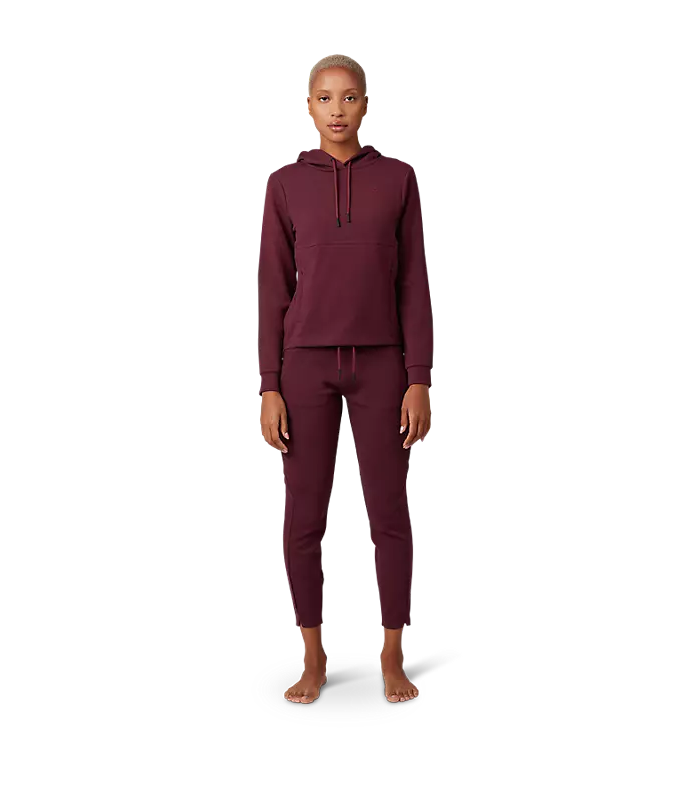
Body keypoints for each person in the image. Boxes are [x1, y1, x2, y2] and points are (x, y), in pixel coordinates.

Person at [256, 54, 434, 704]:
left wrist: (420, 377)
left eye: (350, 96)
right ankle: (313, 655)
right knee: (303, 519)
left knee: (389, 514)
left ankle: (392, 650)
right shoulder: (283, 185)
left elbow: (413, 281)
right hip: (304, 367)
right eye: (325, 97)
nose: (337, 109)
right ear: (308, 105)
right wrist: (269, 384)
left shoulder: (398, 179)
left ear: (366, 103)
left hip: (383, 365)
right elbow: (272, 286)